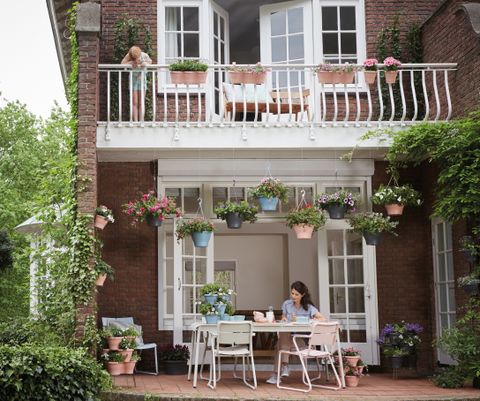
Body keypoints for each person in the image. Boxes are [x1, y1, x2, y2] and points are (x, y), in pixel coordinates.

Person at [266, 281, 326, 384]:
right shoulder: (286, 304)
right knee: (284, 332)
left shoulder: (309, 307)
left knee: (279, 345)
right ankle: (284, 366)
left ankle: (278, 373)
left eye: (296, 294)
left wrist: (304, 320)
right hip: (288, 338)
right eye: (292, 293)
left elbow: (323, 319)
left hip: (301, 340)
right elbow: (283, 317)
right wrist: (284, 319)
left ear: (302, 295)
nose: (293, 296)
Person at [121, 46, 152, 121]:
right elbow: (122, 64)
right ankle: (135, 121)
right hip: (133, 80)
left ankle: (141, 121)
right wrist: (130, 62)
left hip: (142, 79)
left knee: (141, 102)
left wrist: (145, 63)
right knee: (134, 102)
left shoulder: (144, 55)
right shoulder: (129, 55)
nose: (136, 60)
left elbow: (150, 62)